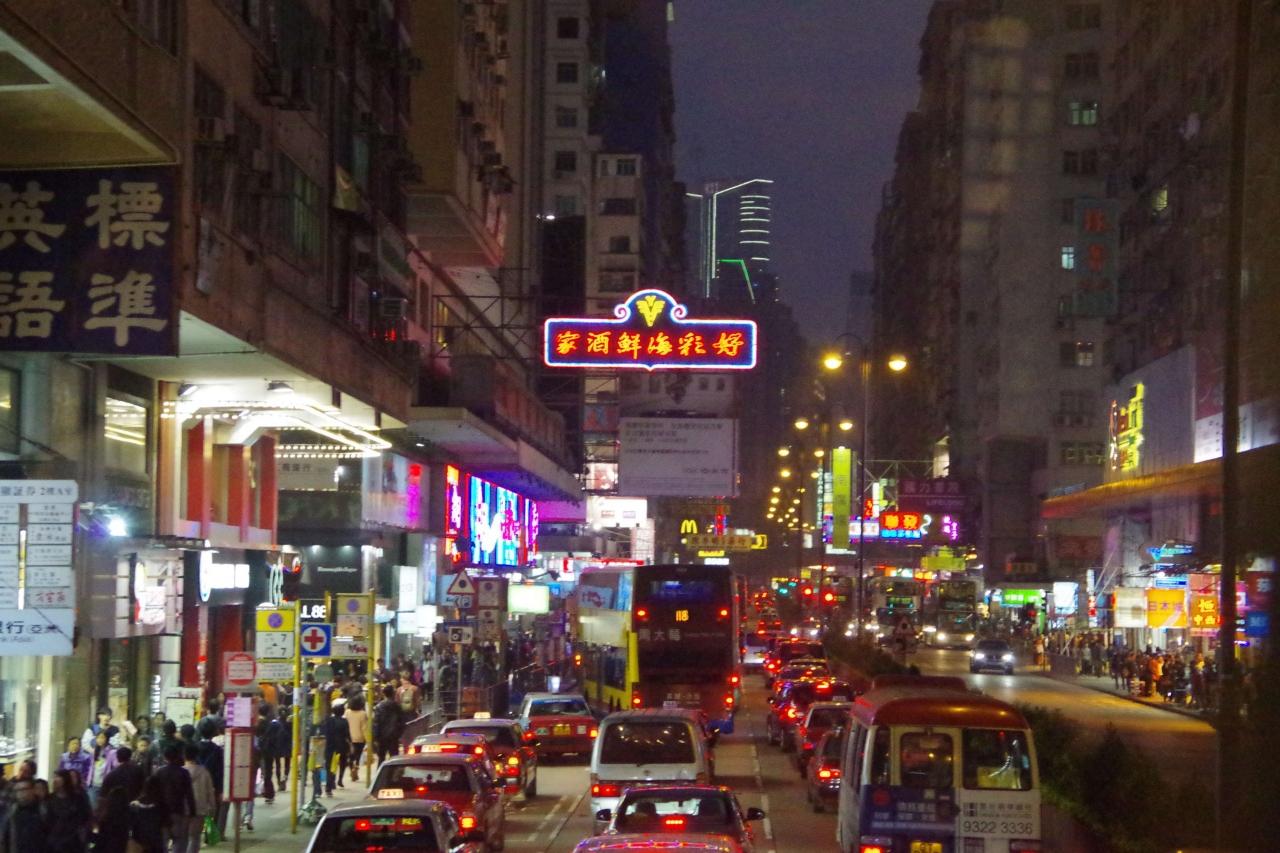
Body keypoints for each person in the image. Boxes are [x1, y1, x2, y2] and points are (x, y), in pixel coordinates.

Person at [152, 745, 195, 853]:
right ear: (178, 756)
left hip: (162, 811)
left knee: (163, 840)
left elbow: (154, 792)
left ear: (164, 757)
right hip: (178, 809)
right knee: (179, 839)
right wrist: (192, 811)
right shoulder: (184, 772)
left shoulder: (159, 772)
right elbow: (189, 794)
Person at [46, 769, 92, 853]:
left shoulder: (77, 798)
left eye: (58, 777)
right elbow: (48, 821)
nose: (55, 780)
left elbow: (84, 817)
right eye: (54, 777)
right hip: (55, 841)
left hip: (73, 841)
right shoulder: (50, 799)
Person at [183, 744, 217, 853]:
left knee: (182, 837)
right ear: (197, 756)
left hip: (182, 809)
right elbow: (210, 792)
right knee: (195, 837)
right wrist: (212, 808)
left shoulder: (180, 771)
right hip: (199, 809)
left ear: (184, 755)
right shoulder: (204, 772)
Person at [4, 777, 48, 852]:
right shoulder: (12, 812)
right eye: (17, 791)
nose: (20, 794)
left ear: (33, 790)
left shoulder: (44, 810)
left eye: (24, 789)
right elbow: (6, 838)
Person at [127, 776, 168, 853]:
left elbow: (130, 826)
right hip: (156, 845)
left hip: (139, 844)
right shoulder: (161, 806)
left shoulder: (134, 805)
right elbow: (165, 826)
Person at [322, 701, 351, 795]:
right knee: (342, 763)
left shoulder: (329, 720)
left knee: (329, 766)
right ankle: (340, 779)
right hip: (342, 746)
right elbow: (347, 735)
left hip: (330, 746)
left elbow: (325, 732)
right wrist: (351, 744)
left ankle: (329, 785)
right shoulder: (344, 721)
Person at [372, 685, 404, 765]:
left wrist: (375, 737)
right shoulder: (397, 706)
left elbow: (376, 723)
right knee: (394, 758)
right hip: (394, 736)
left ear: (384, 694)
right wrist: (399, 734)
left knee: (381, 758)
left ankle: (381, 772)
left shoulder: (379, 707)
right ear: (393, 694)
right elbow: (402, 722)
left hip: (382, 737)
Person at [87, 728, 119, 805]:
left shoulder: (112, 752)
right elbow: (91, 767)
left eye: (102, 737)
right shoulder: (94, 751)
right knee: (93, 807)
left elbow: (116, 766)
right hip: (93, 785)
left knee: (103, 807)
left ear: (107, 739)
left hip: (105, 785)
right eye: (98, 738)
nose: (100, 740)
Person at [252, 703, 276, 804]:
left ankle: (259, 791)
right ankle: (269, 793)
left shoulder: (258, 724)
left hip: (259, 751)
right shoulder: (271, 723)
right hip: (269, 751)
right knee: (267, 773)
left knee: (259, 772)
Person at [345, 695, 369, 782]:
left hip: (349, 737)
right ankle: (356, 768)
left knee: (351, 755)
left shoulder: (347, 712)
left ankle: (351, 768)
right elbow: (364, 728)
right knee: (358, 756)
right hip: (359, 738)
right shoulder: (363, 714)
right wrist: (368, 740)